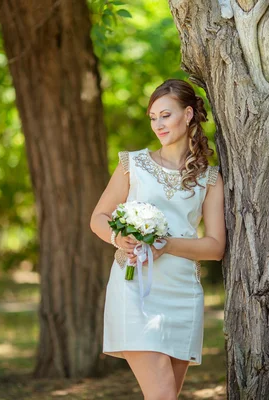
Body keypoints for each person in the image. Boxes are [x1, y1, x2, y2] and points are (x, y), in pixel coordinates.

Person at [89, 78, 226, 399]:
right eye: (153, 117)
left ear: (189, 114)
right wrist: (116, 237)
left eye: (166, 115)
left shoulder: (210, 178)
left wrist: (165, 245)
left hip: (183, 295)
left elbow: (215, 247)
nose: (158, 124)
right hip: (135, 290)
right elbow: (98, 217)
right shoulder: (132, 164)